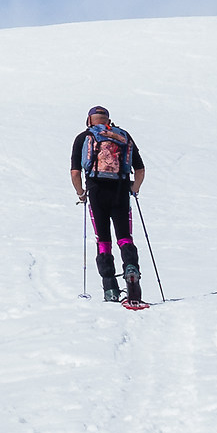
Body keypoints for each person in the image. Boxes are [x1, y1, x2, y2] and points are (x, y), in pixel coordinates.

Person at [70, 105, 146, 303]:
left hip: (96, 190)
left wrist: (81, 193)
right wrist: (134, 189)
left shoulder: (84, 138)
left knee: (103, 240)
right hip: (121, 190)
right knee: (124, 236)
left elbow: (75, 172)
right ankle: (131, 268)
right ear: (108, 120)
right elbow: (140, 170)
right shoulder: (123, 136)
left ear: (89, 120)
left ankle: (110, 288)